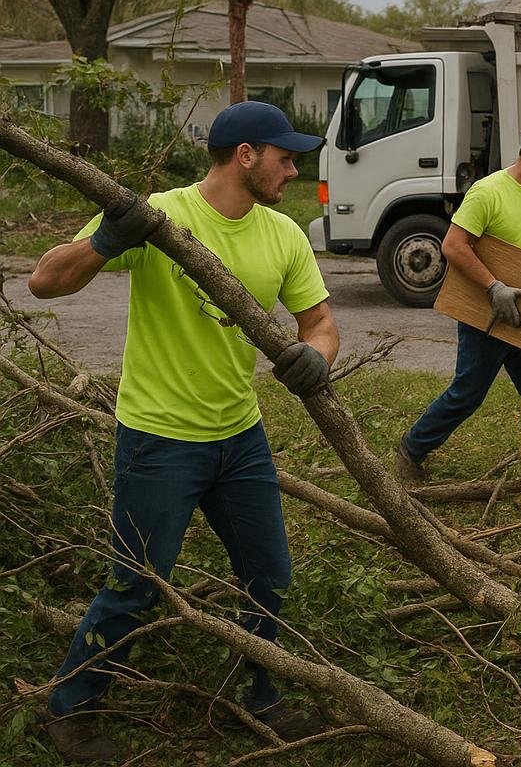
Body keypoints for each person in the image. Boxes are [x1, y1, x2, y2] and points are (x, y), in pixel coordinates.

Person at [28, 101, 338, 761]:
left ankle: (261, 696)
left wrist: (319, 356)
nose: (295, 168)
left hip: (240, 437)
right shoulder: (158, 215)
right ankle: (71, 709)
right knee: (137, 583)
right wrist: (108, 240)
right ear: (245, 155)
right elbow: (45, 281)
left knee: (270, 573)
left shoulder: (283, 234)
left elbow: (321, 324)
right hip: (160, 438)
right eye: (285, 156)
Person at [395, 121, 521, 484]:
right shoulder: (488, 193)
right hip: (486, 312)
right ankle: (412, 448)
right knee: (467, 394)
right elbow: (453, 246)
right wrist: (493, 287)